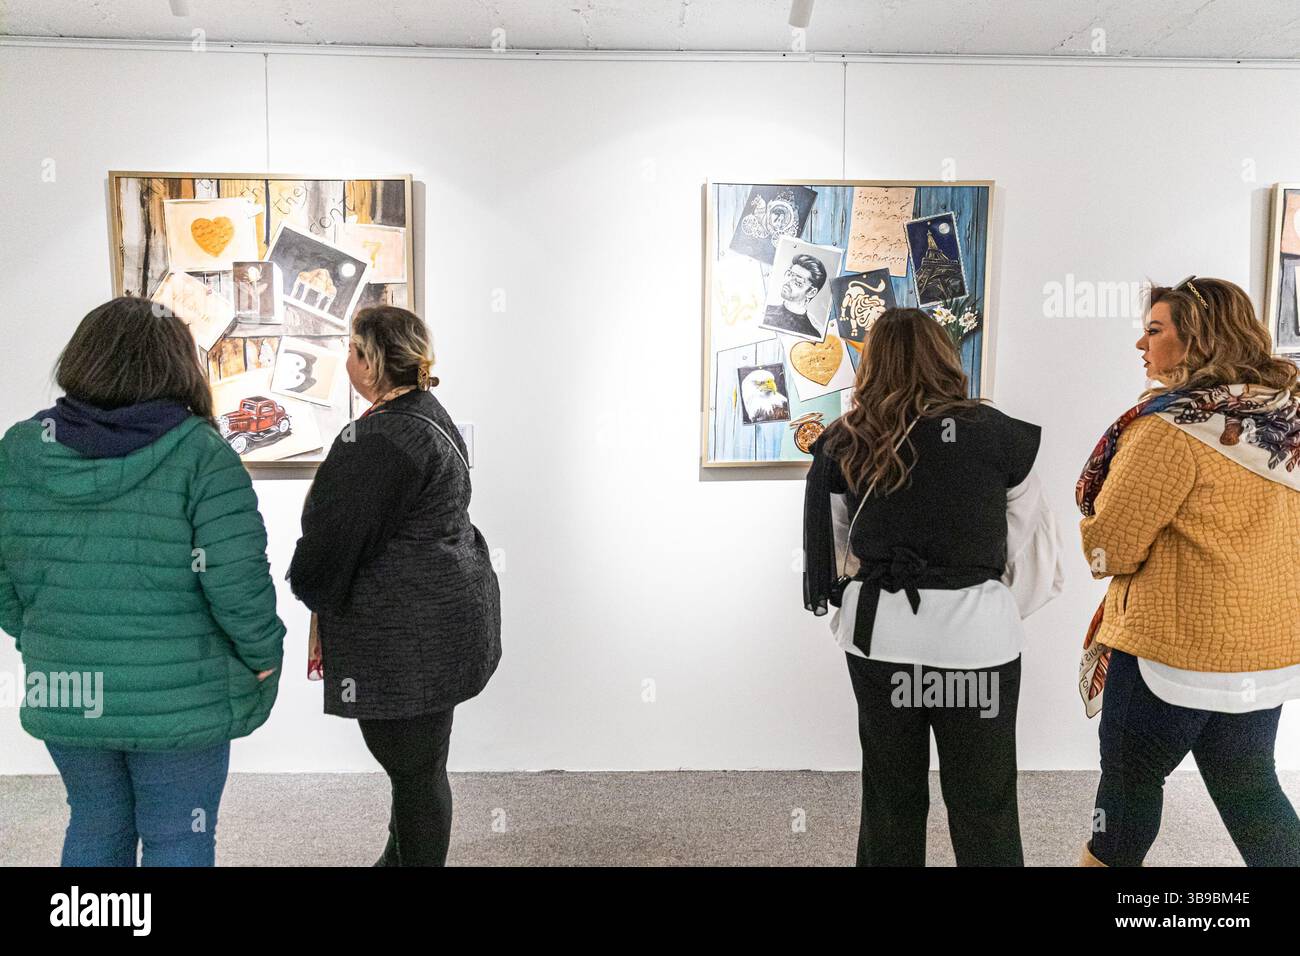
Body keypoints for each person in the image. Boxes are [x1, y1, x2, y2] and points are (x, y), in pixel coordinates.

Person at [0, 296, 285, 866]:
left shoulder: (20, 451)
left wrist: (34, 632)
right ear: (176, 363)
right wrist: (263, 652)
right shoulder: (200, 453)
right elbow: (235, 578)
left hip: (68, 683)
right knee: (178, 836)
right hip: (182, 692)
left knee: (94, 823)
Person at [803, 308, 1063, 866]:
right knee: (985, 802)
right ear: (945, 356)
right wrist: (976, 598)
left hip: (881, 639)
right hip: (979, 644)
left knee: (890, 799)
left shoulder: (846, 441)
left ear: (871, 365)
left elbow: (841, 547)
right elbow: (1022, 543)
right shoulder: (1001, 437)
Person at [1076, 276, 1300, 867]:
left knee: (1123, 807)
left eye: (1154, 330)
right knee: (1255, 797)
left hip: (1170, 656)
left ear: (1197, 339)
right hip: (1264, 654)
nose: (1139, 344)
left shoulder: (1168, 429)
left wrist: (1090, 521)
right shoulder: (1291, 421)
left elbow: (1111, 549)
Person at [287, 305, 501, 867]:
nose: (349, 360)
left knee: (413, 771)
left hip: (407, 639)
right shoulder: (424, 413)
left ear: (376, 363)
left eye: (356, 351)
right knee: (420, 767)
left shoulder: (384, 438)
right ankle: (396, 857)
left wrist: (309, 584)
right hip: (440, 624)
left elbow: (336, 538)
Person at [763, 253, 828, 340]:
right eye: (789, 274)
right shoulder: (766, 311)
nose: (788, 282)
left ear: (811, 292)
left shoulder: (811, 334)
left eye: (798, 282)